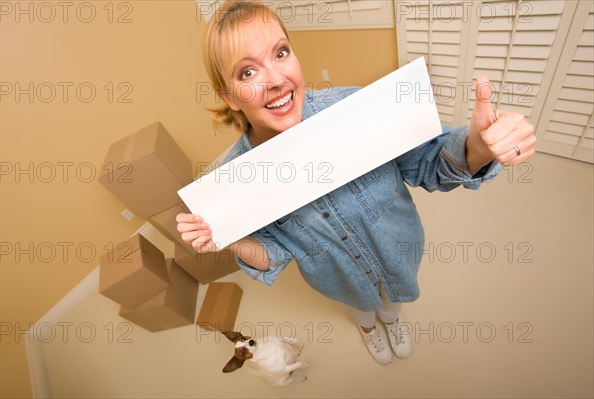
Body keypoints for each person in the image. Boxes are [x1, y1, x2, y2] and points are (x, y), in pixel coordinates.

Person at [177, 0, 536, 365]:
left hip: (398, 252)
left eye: (281, 53)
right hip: (339, 280)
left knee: (393, 300)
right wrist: (230, 238)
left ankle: (392, 321)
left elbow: (431, 164)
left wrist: (478, 146)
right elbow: (275, 253)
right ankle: (367, 328)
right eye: (248, 73)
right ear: (229, 96)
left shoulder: (357, 107)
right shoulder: (236, 180)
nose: (276, 80)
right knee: (363, 307)